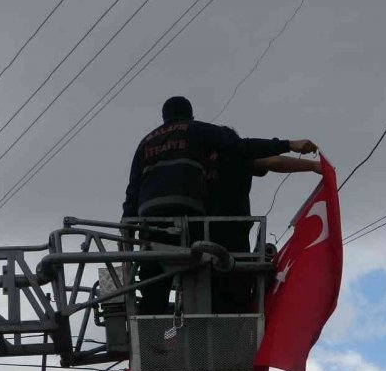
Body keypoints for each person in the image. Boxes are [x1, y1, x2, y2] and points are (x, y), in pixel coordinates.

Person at [123, 96, 316, 314]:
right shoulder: (200, 133)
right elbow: (258, 154)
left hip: (150, 221)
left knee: (155, 278)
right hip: (199, 224)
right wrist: (292, 147)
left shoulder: (146, 142)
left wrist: (126, 228)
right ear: (190, 115)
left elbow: (133, 189)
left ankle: (153, 337)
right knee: (213, 282)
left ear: (164, 117)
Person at [206, 127, 322, 312]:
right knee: (235, 291)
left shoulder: (199, 162)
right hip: (234, 238)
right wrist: (314, 166)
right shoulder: (237, 155)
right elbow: (272, 161)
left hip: (200, 239)